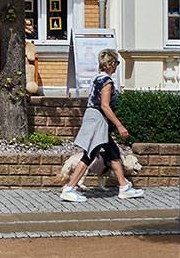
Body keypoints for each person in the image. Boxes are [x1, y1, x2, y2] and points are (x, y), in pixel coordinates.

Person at [61, 49, 145, 201]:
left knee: (113, 152)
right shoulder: (107, 82)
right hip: (98, 120)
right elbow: (105, 106)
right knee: (90, 154)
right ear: (111, 64)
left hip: (94, 118)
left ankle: (123, 187)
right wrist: (120, 126)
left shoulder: (97, 78)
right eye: (117, 63)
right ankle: (69, 188)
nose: (117, 66)